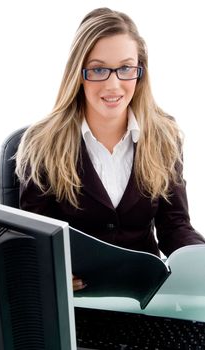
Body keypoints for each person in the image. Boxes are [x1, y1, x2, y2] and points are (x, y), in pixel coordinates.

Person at [15, 7, 205, 291]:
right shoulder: (43, 143)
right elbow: (34, 241)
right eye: (99, 69)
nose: (114, 84)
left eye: (126, 68)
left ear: (140, 72)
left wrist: (198, 259)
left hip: (145, 295)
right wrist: (48, 275)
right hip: (76, 300)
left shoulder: (163, 136)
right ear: (79, 73)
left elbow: (175, 226)